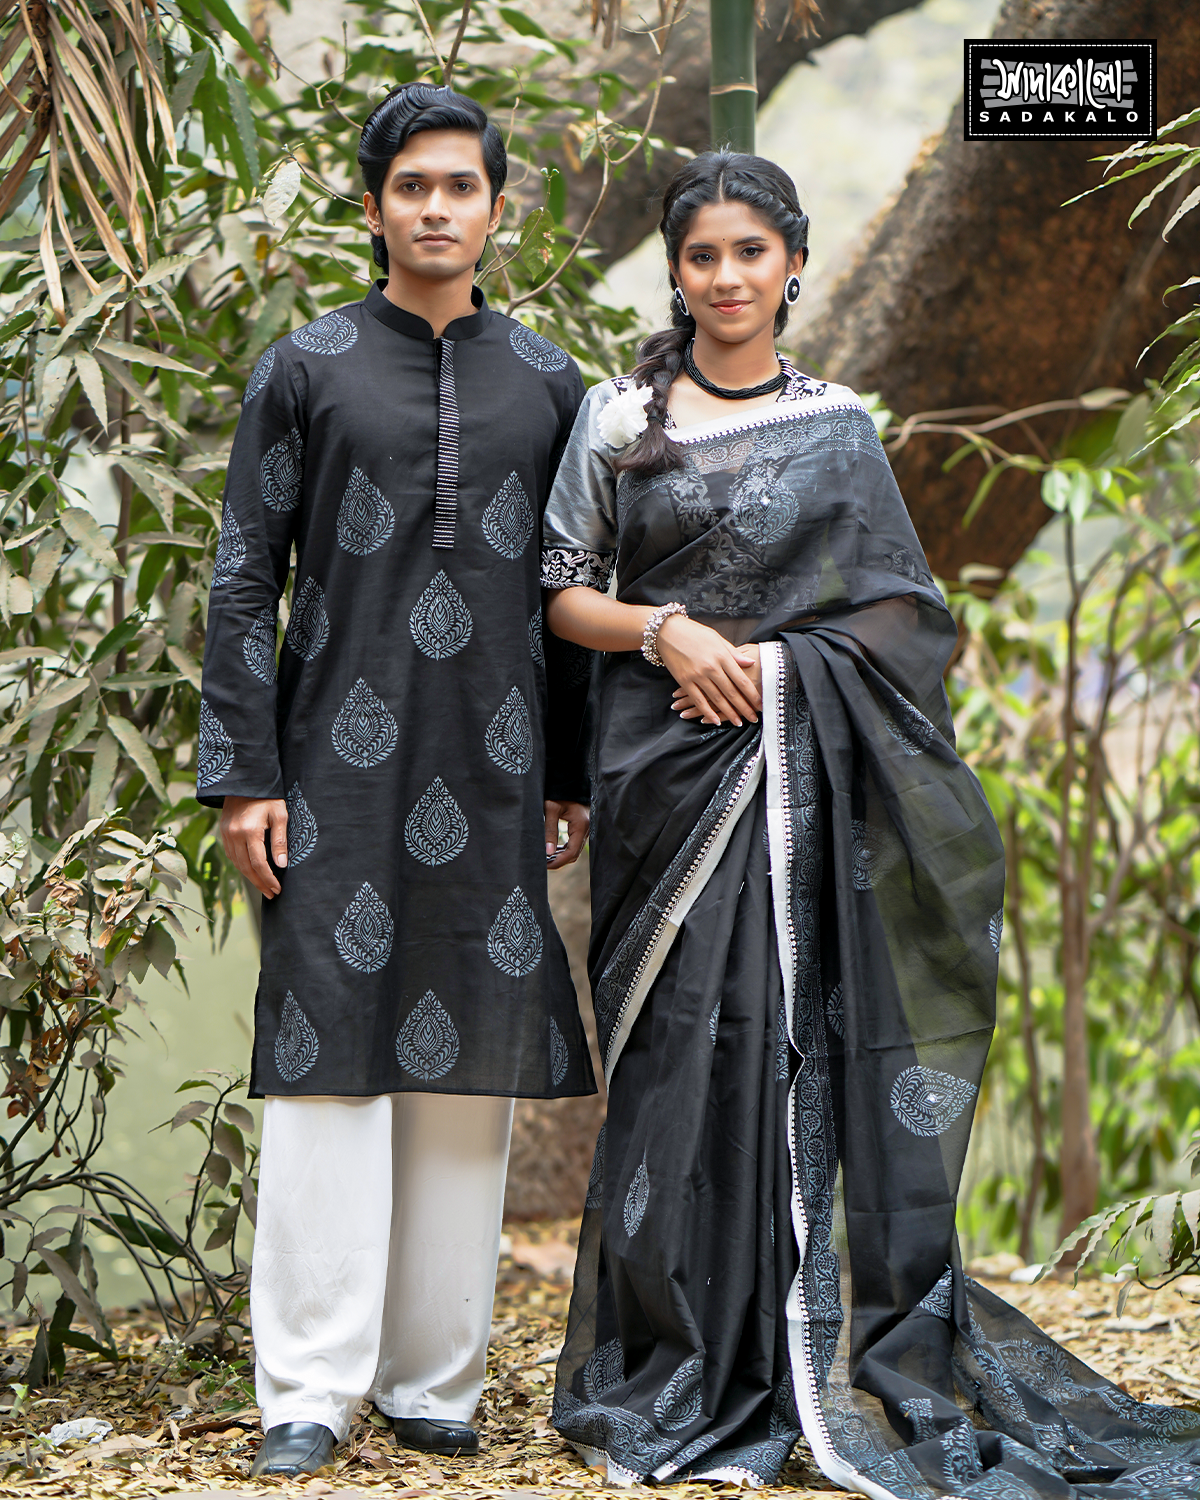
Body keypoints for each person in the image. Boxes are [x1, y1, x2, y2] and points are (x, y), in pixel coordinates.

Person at [540, 151, 1200, 1497]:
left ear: (793, 264)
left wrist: (782, 670)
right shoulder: (617, 419)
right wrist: (668, 634)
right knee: (677, 1062)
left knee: (785, 1045)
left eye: (751, 252)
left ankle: (809, 1354)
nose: (728, 277)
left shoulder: (838, 426)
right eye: (703, 255)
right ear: (678, 270)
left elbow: (902, 617)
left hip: (798, 784)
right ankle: (681, 1361)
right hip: (665, 786)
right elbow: (560, 591)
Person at [197, 82, 596, 1478]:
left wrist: (568, 773)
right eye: (411, 185)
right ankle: (307, 1391)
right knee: (323, 1072)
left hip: (494, 768)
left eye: (460, 185)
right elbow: (242, 578)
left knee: (468, 1077)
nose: (436, 207)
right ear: (373, 207)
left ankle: (434, 1381)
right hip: (329, 773)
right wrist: (244, 776)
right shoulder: (303, 367)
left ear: (497, 206)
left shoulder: (550, 383)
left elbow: (570, 591)